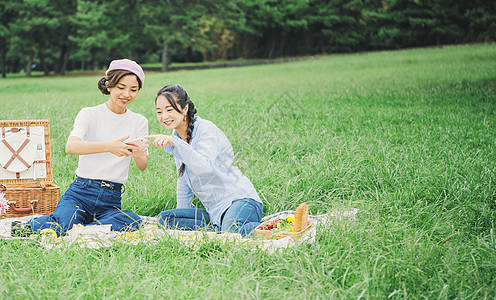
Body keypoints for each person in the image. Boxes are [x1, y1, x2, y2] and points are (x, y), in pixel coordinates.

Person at [24, 59, 149, 236]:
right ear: (108, 85)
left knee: (133, 221)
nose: (127, 94)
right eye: (121, 87)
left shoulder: (139, 121)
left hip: (111, 199)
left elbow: (142, 165)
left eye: (133, 90)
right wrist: (109, 147)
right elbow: (71, 146)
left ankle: (83, 229)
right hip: (81, 193)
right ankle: (32, 226)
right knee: (62, 225)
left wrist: (138, 152)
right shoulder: (90, 114)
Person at [147, 85, 263, 237]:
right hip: (215, 212)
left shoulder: (206, 129)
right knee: (166, 219)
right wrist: (181, 214)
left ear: (185, 109)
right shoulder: (177, 139)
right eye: (159, 112)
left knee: (231, 235)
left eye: (169, 110)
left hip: (240, 201)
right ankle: (221, 230)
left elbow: (204, 167)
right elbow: (183, 183)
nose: (164, 116)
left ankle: (278, 227)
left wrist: (176, 143)